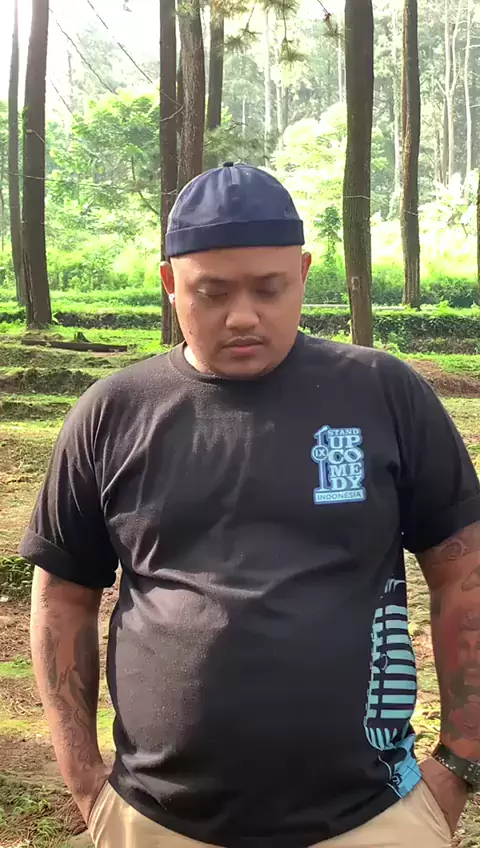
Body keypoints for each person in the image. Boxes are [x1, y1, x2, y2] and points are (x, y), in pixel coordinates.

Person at [23, 163, 480, 848]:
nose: (243, 315)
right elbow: (62, 596)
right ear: (170, 281)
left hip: (375, 817)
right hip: (154, 822)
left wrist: (460, 764)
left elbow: (464, 571)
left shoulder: (383, 394)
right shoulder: (112, 414)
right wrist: (85, 780)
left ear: (304, 272)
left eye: (270, 288)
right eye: (212, 292)